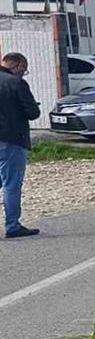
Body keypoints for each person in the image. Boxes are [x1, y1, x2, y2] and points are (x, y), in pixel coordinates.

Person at [0, 52, 40, 239]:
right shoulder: (16, 83)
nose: (24, 73)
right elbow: (32, 112)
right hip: (12, 138)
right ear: (17, 66)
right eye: (24, 70)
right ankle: (12, 225)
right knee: (12, 184)